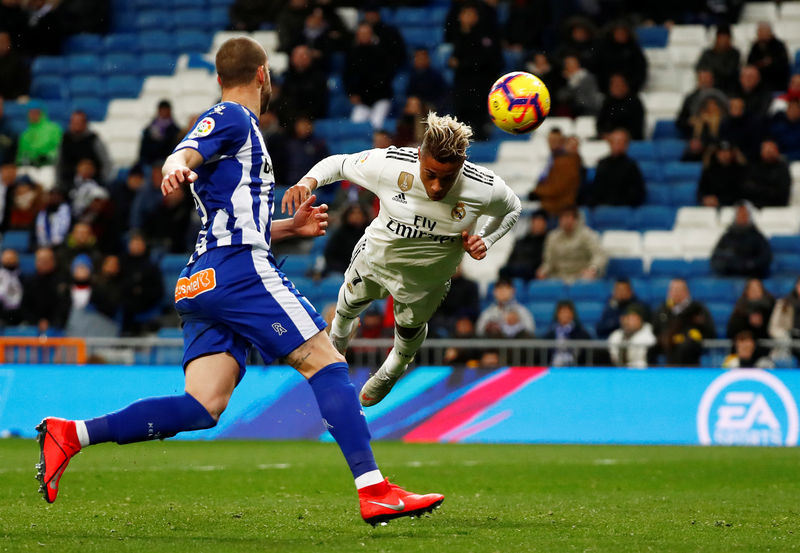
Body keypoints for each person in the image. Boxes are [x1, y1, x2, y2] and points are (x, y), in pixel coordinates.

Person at [35, 37, 443, 525]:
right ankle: (375, 489)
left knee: (203, 405)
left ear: (219, 75)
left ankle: (72, 435)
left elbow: (234, 214)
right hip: (237, 270)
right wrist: (173, 168)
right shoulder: (233, 117)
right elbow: (185, 151)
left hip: (201, 279)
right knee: (328, 363)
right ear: (263, 73)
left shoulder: (240, 132)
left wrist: (289, 228)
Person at [284, 111, 521, 407]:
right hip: (375, 260)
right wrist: (307, 182)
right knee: (346, 307)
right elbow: (339, 164)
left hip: (426, 280)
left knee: (407, 333)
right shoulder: (391, 165)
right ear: (420, 156)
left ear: (461, 166)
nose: (436, 187)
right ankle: (336, 351)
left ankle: (393, 369)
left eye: (446, 179)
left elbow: (512, 207)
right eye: (430, 175)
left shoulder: (483, 186)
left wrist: (486, 239)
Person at [343, 23, 396, 130]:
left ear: (371, 35)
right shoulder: (352, 54)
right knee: (355, 125)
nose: (363, 36)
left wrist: (371, 87)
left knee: (376, 125)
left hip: (381, 98)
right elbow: (347, 76)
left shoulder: (382, 52)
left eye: (366, 33)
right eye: (361, 33)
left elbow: (386, 76)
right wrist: (352, 93)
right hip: (362, 101)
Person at [652, 278, 716, 366]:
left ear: (686, 292)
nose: (674, 293)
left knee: (686, 346)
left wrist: (695, 335)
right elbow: (655, 330)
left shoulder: (697, 309)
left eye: (678, 290)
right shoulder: (663, 309)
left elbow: (710, 331)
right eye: (672, 290)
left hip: (690, 346)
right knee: (651, 349)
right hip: (667, 344)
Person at [537, 206, 607, 282]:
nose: (565, 221)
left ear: (576, 219)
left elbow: (599, 255)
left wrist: (592, 269)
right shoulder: (552, 237)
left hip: (581, 276)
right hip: (558, 277)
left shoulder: (587, 235)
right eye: (562, 218)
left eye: (568, 217)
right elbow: (549, 262)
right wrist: (543, 270)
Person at [710, 200, 772, 278]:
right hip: (729, 278)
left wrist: (749, 265)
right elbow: (715, 260)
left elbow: (765, 258)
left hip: (751, 277)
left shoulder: (758, 237)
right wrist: (730, 265)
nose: (742, 217)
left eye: (744, 214)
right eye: (739, 214)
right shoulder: (727, 237)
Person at [529, 129, 582, 216]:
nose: (553, 144)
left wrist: (537, 192)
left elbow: (557, 188)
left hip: (558, 208)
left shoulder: (567, 162)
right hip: (551, 203)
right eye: (550, 141)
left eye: (555, 141)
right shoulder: (555, 159)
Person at [56, 110, 111, 190]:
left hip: (93, 183)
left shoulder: (94, 139)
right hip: (68, 184)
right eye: (74, 122)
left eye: (79, 122)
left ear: (85, 123)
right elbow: (59, 164)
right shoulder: (64, 139)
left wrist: (102, 181)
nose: (76, 125)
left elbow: (106, 163)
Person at [589, 129, 645, 207]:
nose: (616, 144)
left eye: (619, 142)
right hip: (603, 208)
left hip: (624, 208)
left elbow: (638, 192)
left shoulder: (631, 166)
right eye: (613, 141)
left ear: (626, 145)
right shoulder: (602, 163)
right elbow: (596, 189)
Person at [21, 246, 70, 333]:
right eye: (40, 260)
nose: (43, 263)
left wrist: (52, 322)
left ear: (53, 261)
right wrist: (37, 322)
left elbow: (64, 306)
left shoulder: (63, 281)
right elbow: (25, 307)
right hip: (33, 327)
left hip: (59, 328)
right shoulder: (29, 282)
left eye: (46, 259)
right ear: (36, 262)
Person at [594, 21, 647, 94]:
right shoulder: (603, 49)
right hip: (605, 89)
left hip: (629, 88)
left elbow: (640, 70)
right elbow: (598, 68)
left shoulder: (634, 49)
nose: (620, 36)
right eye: (618, 33)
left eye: (623, 33)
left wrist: (628, 85)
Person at [677, 69, 729, 138]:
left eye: (707, 78)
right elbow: (680, 121)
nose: (704, 81)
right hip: (695, 138)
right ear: (698, 80)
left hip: (719, 137)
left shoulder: (720, 96)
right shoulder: (690, 98)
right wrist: (689, 122)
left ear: (712, 80)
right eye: (702, 78)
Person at [499, 209, 549, 282]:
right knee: (503, 270)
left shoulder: (548, 241)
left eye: (540, 221)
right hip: (516, 269)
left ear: (545, 224)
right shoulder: (521, 241)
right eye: (535, 221)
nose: (537, 224)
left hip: (532, 271)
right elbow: (510, 260)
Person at [321, 203, 370, 276]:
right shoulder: (339, 233)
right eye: (353, 213)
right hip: (341, 271)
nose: (356, 216)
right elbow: (330, 256)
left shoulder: (370, 233)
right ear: (347, 216)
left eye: (359, 213)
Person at [740, 139, 791, 208]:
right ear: (761, 152)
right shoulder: (755, 167)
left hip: (778, 207)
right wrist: (767, 190)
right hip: (756, 207)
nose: (769, 153)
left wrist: (759, 190)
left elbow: (781, 193)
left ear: (777, 151)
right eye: (766, 150)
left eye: (771, 150)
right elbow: (747, 188)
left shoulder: (783, 168)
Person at [696, 141, 747, 207]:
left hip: (732, 207)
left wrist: (720, 200)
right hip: (709, 206)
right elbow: (701, 189)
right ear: (717, 153)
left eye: (727, 151)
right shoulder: (709, 170)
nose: (724, 154)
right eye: (721, 151)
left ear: (732, 153)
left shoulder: (739, 170)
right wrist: (705, 199)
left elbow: (741, 192)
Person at [542, 300, 592, 366]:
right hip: (554, 367)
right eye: (562, 312)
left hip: (575, 367)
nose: (565, 315)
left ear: (572, 314)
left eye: (567, 312)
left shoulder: (581, 333)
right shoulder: (551, 333)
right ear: (557, 314)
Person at [596, 74, 645, 140]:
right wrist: (605, 135)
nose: (617, 87)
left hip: (631, 140)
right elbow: (600, 124)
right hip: (610, 139)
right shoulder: (607, 102)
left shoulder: (634, 102)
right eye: (614, 85)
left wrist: (620, 136)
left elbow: (637, 127)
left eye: (619, 84)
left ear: (626, 85)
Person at [608, 303, 656, 369]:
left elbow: (642, 362)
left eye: (632, 318)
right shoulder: (616, 335)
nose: (628, 321)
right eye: (627, 318)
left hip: (641, 373)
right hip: (618, 372)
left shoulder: (649, 336)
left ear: (640, 319)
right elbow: (613, 357)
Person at [695, 25, 741, 94]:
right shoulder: (707, 53)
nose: (723, 41)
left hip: (727, 87)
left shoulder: (734, 53)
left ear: (729, 39)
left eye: (725, 38)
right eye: (720, 38)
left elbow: (728, 72)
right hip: (708, 86)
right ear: (716, 39)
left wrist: (712, 68)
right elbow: (699, 67)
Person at [746, 23, 790, 92]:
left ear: (770, 33)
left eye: (764, 32)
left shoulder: (778, 46)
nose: (761, 35)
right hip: (759, 82)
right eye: (759, 32)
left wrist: (766, 64)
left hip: (777, 82)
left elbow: (782, 64)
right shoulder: (755, 46)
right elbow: (750, 63)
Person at [138, 100, 181, 166]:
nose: (163, 112)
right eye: (162, 110)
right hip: (149, 161)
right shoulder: (149, 129)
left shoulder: (174, 130)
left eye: (165, 110)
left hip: (165, 160)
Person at [768, 277, 800, 362]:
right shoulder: (784, 303)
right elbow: (773, 328)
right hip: (787, 344)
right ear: (796, 286)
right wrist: (786, 338)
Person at [0, 247, 23, 324]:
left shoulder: (22, 277)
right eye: (6, 259)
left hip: (19, 312)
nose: (9, 261)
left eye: (11, 259)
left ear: (16, 260)